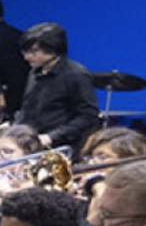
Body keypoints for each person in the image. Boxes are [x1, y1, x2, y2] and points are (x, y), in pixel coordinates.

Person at [15, 21, 99, 151]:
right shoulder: (34, 73)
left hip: (60, 147)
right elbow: (27, 109)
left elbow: (88, 116)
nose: (27, 57)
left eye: (33, 51)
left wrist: (52, 137)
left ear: (53, 49)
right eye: (25, 52)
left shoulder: (76, 75)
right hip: (32, 144)